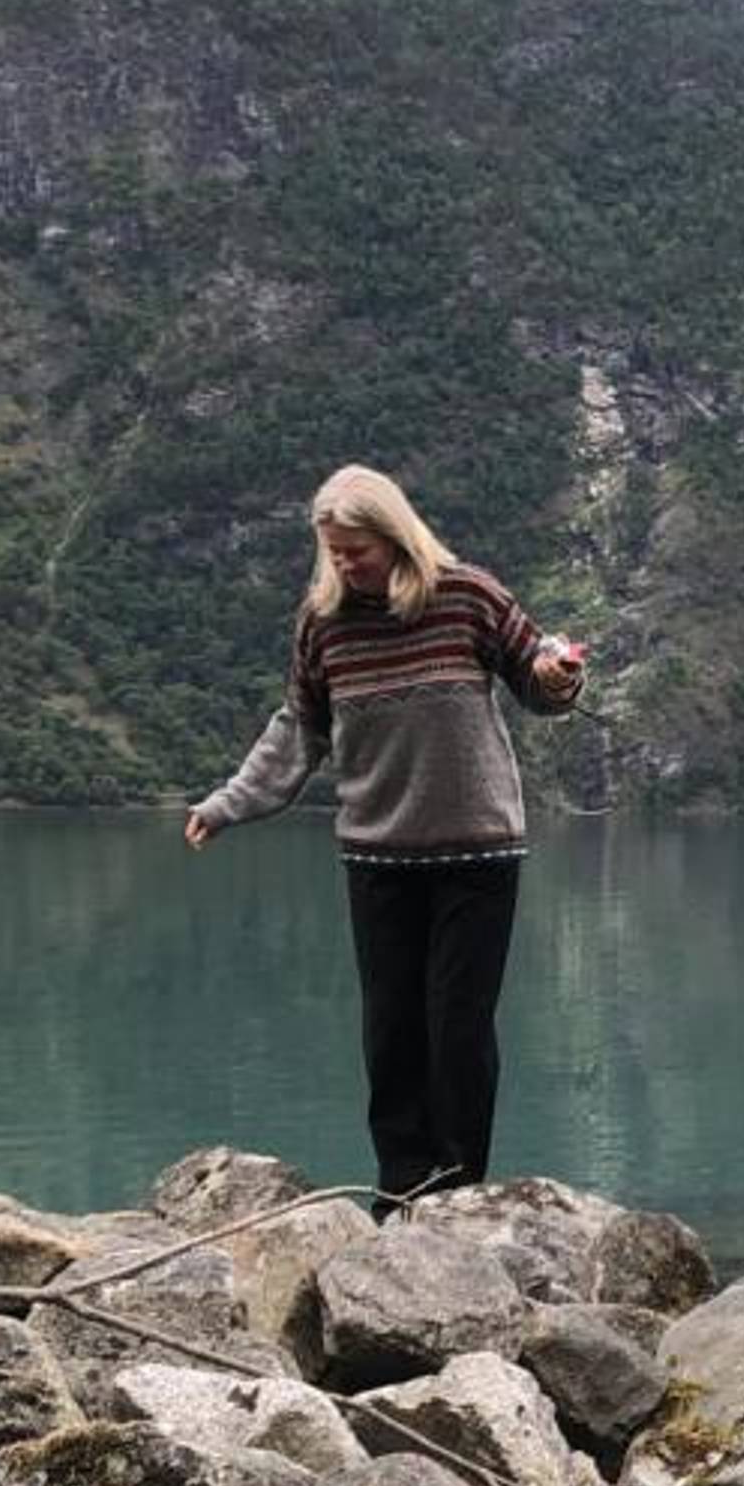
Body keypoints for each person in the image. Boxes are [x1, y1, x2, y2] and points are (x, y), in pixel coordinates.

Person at [185, 465, 587, 1209]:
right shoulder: (323, 624)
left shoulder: (468, 596)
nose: (343, 564)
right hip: (378, 856)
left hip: (478, 852)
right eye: (333, 551)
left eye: (357, 550)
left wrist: (559, 672)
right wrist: (227, 804)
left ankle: (458, 1185)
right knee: (391, 1031)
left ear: (395, 537)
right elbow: (299, 730)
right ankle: (402, 1188)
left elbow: (538, 680)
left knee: (458, 1026)